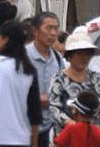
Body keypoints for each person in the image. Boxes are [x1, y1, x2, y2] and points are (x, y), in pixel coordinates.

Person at [48, 32, 100, 137]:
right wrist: (74, 125)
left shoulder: (96, 78)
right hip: (67, 138)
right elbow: (54, 108)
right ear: (69, 56)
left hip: (92, 138)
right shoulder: (59, 79)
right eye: (80, 53)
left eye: (88, 53)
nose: (84, 57)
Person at [25, 11, 64, 146]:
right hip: (22, 127)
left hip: (47, 128)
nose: (53, 33)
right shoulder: (22, 57)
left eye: (56, 28)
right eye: (49, 28)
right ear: (35, 31)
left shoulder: (58, 60)